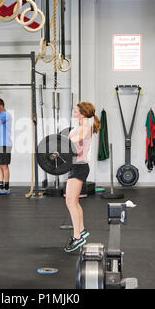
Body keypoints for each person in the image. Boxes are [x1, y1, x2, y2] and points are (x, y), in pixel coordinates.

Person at [64, 102, 101, 252]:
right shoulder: (82, 125)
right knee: (74, 202)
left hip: (79, 167)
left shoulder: (85, 127)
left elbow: (73, 141)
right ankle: (82, 229)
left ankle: (77, 237)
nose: (74, 111)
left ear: (83, 113)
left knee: (70, 203)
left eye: (76, 110)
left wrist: (61, 142)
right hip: (77, 165)